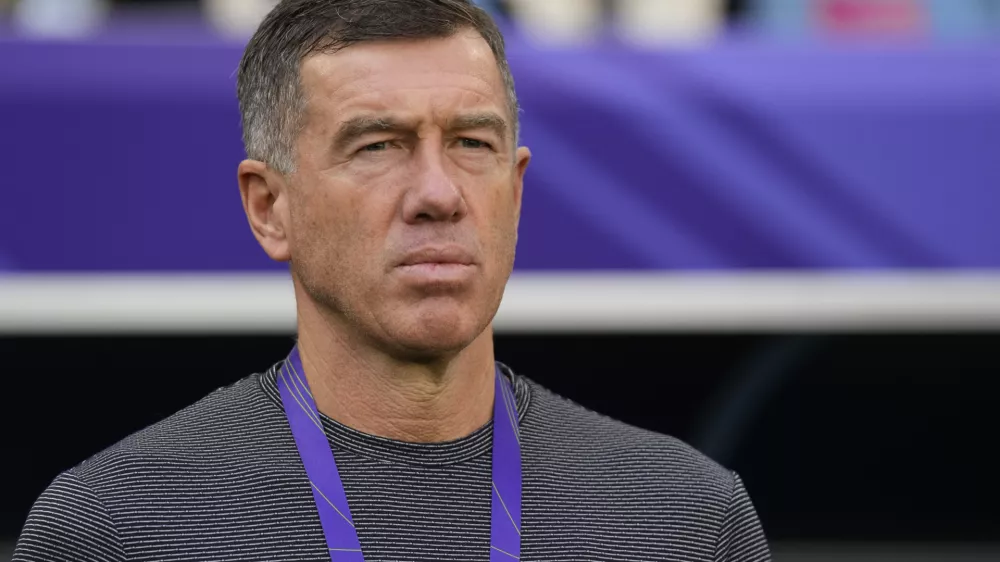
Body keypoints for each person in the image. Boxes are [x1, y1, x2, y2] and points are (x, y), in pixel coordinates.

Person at [13, 1, 770, 560]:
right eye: (378, 145)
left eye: (472, 143)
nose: (438, 194)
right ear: (269, 207)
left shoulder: (687, 521)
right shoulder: (114, 529)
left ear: (517, 189)